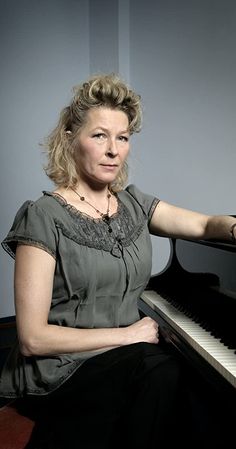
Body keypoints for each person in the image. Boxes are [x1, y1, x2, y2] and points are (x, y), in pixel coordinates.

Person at [0, 73, 235, 449]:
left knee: (192, 379)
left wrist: (234, 228)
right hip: (61, 370)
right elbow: (32, 339)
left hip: (127, 357)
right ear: (70, 139)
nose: (113, 150)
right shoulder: (42, 215)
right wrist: (128, 335)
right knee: (162, 374)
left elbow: (206, 224)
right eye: (99, 136)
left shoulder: (135, 204)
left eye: (122, 138)